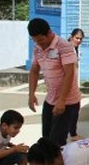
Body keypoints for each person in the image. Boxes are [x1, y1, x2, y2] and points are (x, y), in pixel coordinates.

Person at [28, 18, 82, 147]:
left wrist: (62, 100)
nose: (38, 43)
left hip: (67, 101)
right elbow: (34, 71)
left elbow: (70, 74)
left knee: (57, 142)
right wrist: (31, 94)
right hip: (50, 99)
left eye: (40, 40)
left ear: (49, 33)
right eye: (34, 40)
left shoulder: (64, 46)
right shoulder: (37, 49)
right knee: (46, 138)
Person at [67, 28, 85, 141]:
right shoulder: (68, 49)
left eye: (80, 39)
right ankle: (72, 133)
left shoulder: (74, 48)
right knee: (74, 107)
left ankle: (71, 131)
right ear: (71, 36)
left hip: (72, 83)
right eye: (76, 38)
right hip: (67, 83)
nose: (78, 40)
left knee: (73, 108)